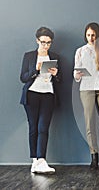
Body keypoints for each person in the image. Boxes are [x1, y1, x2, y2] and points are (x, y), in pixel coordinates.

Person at [74, 22, 99, 171]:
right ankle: (94, 156)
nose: (91, 38)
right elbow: (76, 74)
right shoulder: (80, 51)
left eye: (93, 35)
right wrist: (77, 74)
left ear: (98, 35)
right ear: (85, 35)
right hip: (86, 88)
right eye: (88, 35)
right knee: (89, 123)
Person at [20, 27, 61, 173]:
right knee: (33, 128)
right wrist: (35, 70)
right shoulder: (29, 56)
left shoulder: (54, 56)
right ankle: (35, 161)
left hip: (48, 94)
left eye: (49, 43)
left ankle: (42, 160)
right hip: (31, 94)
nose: (45, 45)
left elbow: (59, 80)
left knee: (43, 128)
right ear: (37, 40)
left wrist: (56, 74)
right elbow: (23, 78)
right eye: (43, 42)